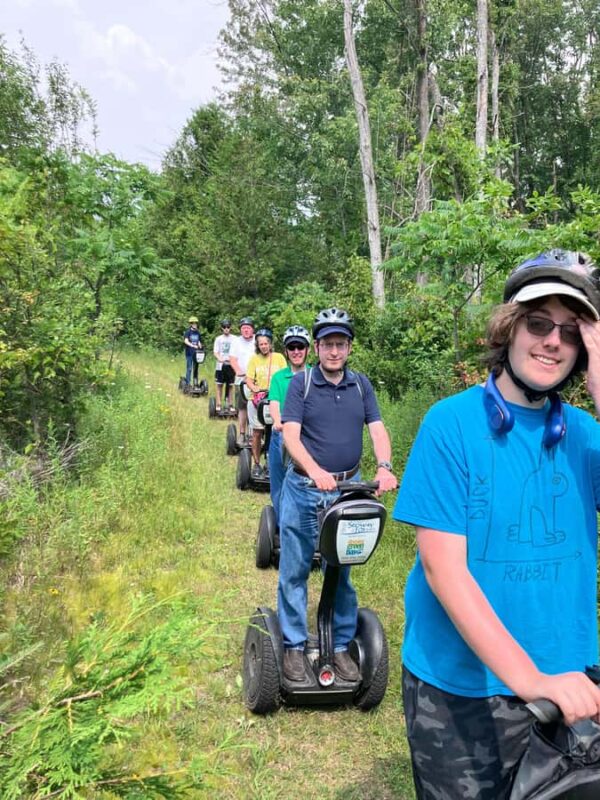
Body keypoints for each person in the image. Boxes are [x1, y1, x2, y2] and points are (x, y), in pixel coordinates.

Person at [393, 249, 600, 800]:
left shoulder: (584, 434)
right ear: (509, 328)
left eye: (571, 330)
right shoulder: (450, 424)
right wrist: (530, 679)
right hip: (462, 691)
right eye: (538, 323)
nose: (552, 341)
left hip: (572, 684)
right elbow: (445, 572)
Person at [278, 307, 398, 682]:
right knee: (295, 570)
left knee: (343, 571)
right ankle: (294, 648)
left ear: (349, 348)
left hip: (348, 489)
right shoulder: (303, 384)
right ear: (317, 348)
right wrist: (314, 470)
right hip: (303, 488)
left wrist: (384, 467)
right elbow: (290, 435)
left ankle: (343, 645)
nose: (334, 351)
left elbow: (377, 429)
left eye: (341, 344)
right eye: (328, 344)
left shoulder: (361, 385)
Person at [267, 325, 311, 521]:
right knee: (280, 483)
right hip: (283, 434)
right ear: (286, 351)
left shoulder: (314, 376)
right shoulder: (279, 377)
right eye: (291, 347)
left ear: (308, 349)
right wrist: (277, 421)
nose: (296, 351)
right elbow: (274, 403)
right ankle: (280, 526)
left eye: (300, 347)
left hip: (309, 437)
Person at [245, 328, 286, 478]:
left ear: (270, 344)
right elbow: (248, 379)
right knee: (257, 432)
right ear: (257, 345)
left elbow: (285, 375)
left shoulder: (279, 358)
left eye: (265, 343)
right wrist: (255, 388)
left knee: (275, 433)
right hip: (257, 401)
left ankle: (270, 463)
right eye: (260, 344)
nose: (263, 346)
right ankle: (256, 463)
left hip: (274, 401)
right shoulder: (254, 359)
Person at [230, 317, 256, 446]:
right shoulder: (236, 341)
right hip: (241, 380)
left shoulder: (258, 340)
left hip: (257, 381)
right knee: (242, 407)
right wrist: (239, 371)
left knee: (256, 406)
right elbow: (233, 360)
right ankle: (241, 434)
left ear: (252, 329)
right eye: (243, 328)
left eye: (248, 328)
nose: (246, 330)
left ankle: (254, 435)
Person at [213, 319, 236, 411]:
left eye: (228, 327)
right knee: (219, 384)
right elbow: (215, 352)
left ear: (230, 328)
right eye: (224, 327)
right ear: (222, 328)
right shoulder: (218, 339)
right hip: (221, 364)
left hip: (231, 364)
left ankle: (230, 404)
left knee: (230, 385)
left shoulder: (234, 339)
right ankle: (218, 404)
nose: (226, 329)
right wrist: (220, 359)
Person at [183, 316, 203, 386]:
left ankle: (195, 383)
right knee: (189, 368)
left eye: (196, 323)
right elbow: (185, 341)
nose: (195, 324)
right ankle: (188, 383)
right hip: (189, 353)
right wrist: (192, 345)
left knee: (196, 369)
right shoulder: (188, 332)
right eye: (193, 323)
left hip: (196, 354)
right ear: (191, 324)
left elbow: (199, 341)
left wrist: (200, 345)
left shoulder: (197, 332)